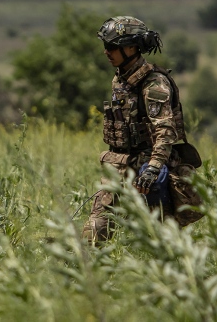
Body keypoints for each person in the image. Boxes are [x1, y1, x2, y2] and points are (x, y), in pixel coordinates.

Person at [82, 16, 204, 243]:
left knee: (161, 241)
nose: (106, 52)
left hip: (147, 171)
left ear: (131, 47)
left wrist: (153, 169)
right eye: (105, 46)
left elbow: (165, 132)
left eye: (112, 47)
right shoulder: (120, 78)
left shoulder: (153, 84)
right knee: (95, 231)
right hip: (118, 168)